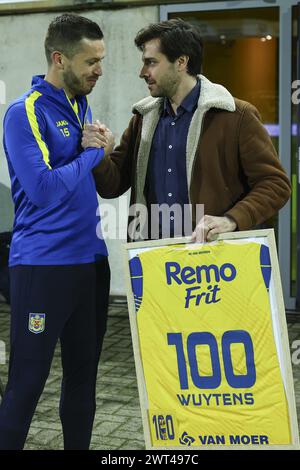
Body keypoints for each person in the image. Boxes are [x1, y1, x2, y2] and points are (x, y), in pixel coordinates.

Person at [0, 13, 114, 450]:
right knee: (27, 384)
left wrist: (97, 151)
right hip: (43, 267)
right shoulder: (23, 111)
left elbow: (82, 169)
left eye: (102, 60)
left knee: (84, 380)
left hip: (90, 264)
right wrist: (91, 154)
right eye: (91, 62)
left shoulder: (79, 104)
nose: (98, 70)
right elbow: (44, 191)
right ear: (58, 58)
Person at [87, 19, 291, 242]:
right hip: (154, 257)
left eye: (151, 62)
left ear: (181, 62)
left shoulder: (236, 116)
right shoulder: (142, 119)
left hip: (215, 260)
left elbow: (275, 185)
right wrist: (100, 155)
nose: (142, 72)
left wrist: (231, 220)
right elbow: (112, 186)